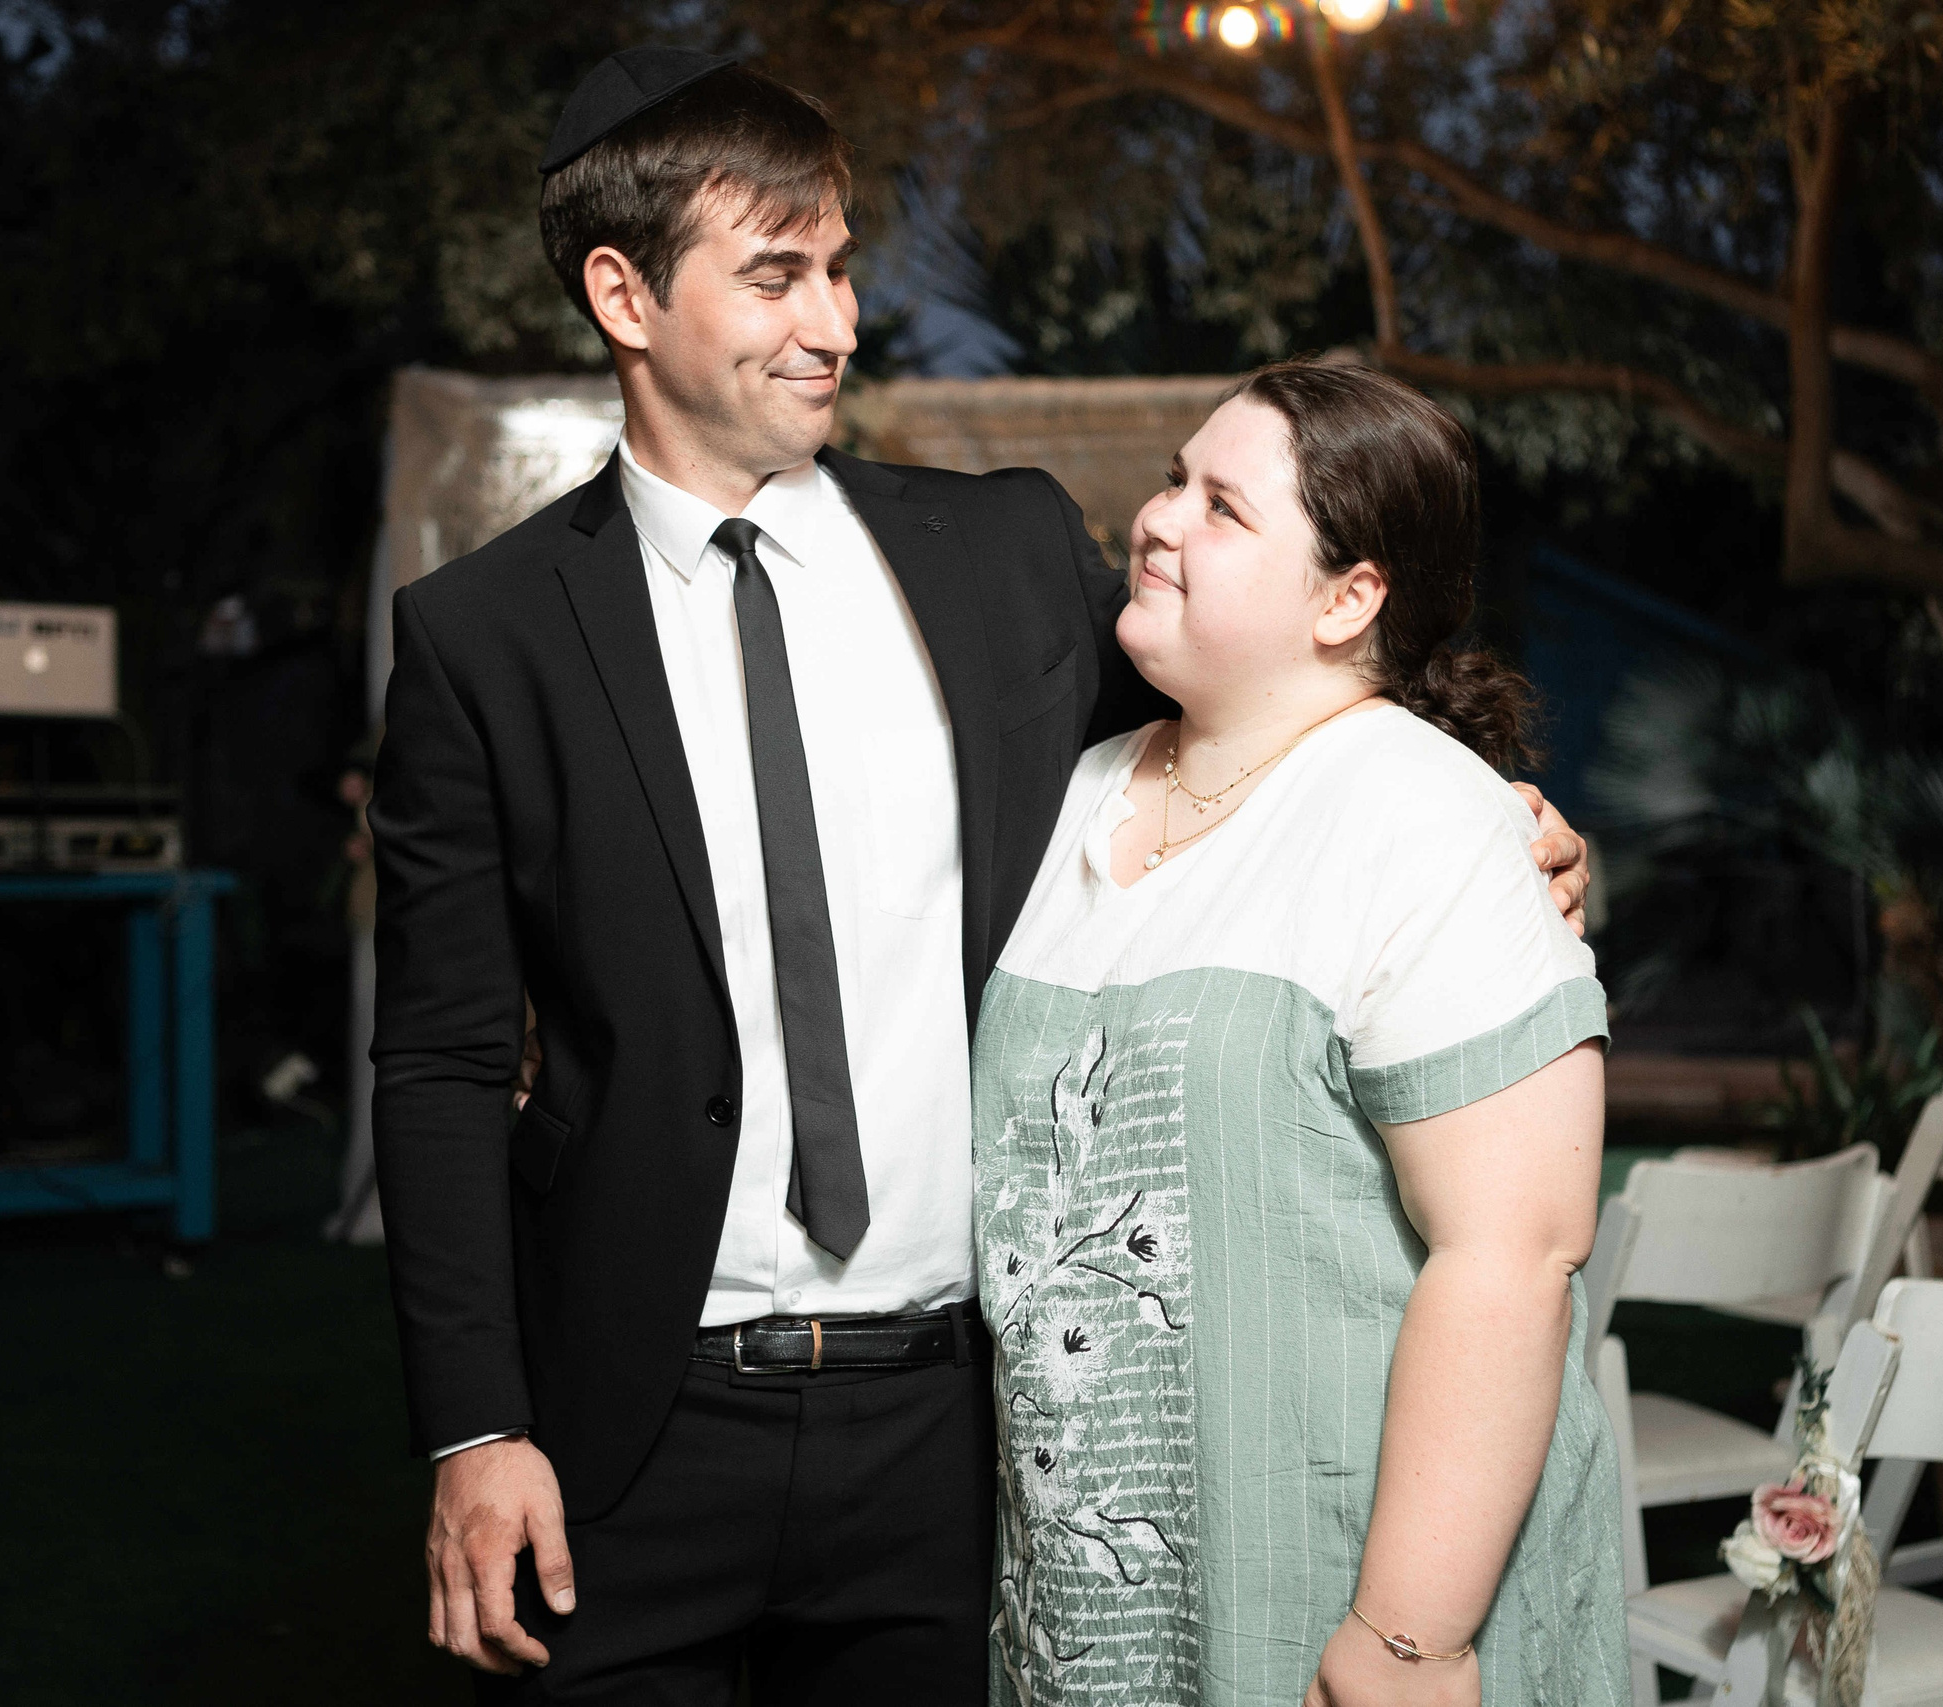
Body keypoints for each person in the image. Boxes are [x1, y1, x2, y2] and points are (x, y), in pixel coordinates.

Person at [369, 47, 1595, 1705]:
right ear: (623, 294)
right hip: (629, 1428)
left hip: (962, 1434)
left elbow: (1251, 743)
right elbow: (442, 1058)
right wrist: (477, 1423)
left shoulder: (1004, 556)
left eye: (844, 267)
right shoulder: (483, 636)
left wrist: (1492, 819)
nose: (837, 322)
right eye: (777, 277)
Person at [978, 360, 1625, 1707]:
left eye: (1223, 507)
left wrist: (1407, 1638)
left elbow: (1514, 1252)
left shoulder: (1425, 819)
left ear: (1348, 599)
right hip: (1094, 1605)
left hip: (1343, 1594)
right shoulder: (1074, 791)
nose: (1158, 519)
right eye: (1175, 480)